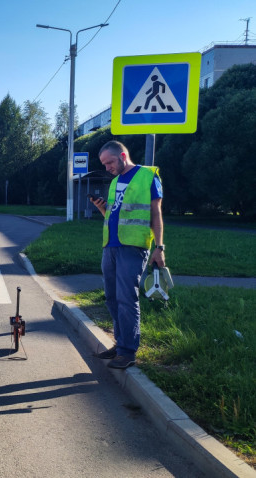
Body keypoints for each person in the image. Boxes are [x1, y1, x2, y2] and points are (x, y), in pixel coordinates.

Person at [89, 140, 165, 369]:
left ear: (122, 155)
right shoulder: (114, 182)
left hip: (133, 246)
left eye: (109, 162)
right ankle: (120, 344)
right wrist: (102, 208)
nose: (107, 167)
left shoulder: (147, 176)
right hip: (110, 245)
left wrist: (159, 247)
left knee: (126, 298)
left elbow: (155, 213)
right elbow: (113, 214)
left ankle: (128, 351)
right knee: (111, 297)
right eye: (104, 164)